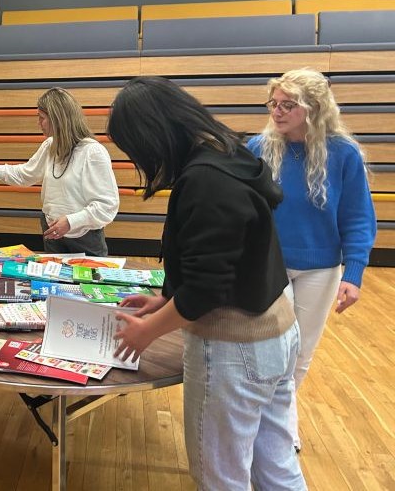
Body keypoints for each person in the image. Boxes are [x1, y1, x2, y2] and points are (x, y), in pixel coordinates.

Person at [107, 77, 306, 490]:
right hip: (277, 332)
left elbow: (207, 288)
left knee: (220, 477)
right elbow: (221, 255)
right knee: (276, 466)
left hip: (236, 349)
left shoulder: (204, 180)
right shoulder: (228, 152)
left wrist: (149, 330)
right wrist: (163, 299)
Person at [247, 68, 376, 453]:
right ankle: (265, 423)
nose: (278, 111)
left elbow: (358, 217)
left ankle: (279, 425)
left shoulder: (343, 154)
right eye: (274, 103)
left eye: (289, 105)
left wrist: (353, 274)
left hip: (320, 269)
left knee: (299, 353)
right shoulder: (257, 148)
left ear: (314, 108)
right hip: (269, 265)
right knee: (267, 347)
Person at [0, 87, 118, 256]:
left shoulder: (93, 152)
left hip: (85, 239)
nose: (38, 123)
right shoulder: (50, 145)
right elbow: (25, 175)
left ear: (58, 119)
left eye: (42, 118)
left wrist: (71, 222)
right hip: (52, 233)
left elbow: (107, 206)